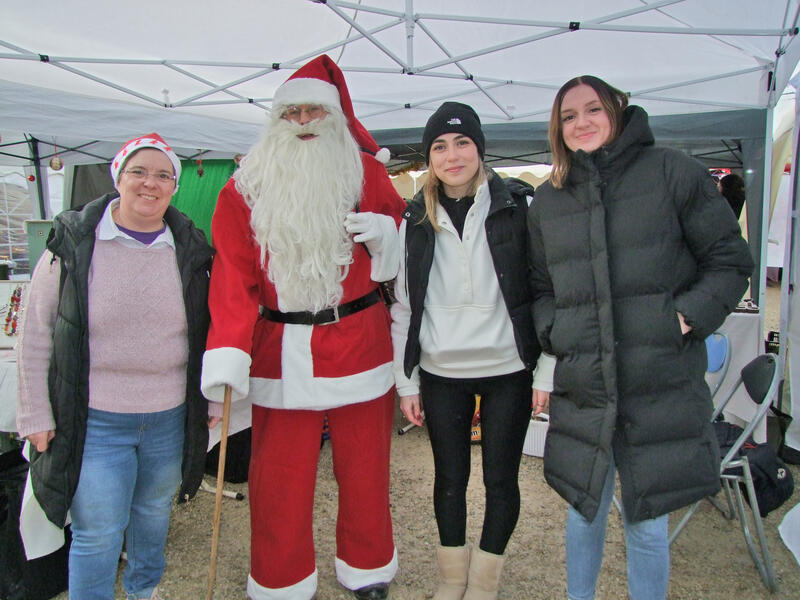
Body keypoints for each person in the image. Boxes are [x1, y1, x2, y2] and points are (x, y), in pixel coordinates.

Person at [527, 75, 754, 600]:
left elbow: (729, 261)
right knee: (584, 514)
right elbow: (539, 289)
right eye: (568, 116)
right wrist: (558, 332)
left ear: (617, 110)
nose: (581, 122)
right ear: (558, 129)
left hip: (658, 383)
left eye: (592, 110)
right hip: (587, 386)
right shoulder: (549, 201)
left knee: (647, 525)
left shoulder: (675, 172)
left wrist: (683, 317)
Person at [200, 55, 405, 600]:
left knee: (365, 470)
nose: (306, 119)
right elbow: (231, 277)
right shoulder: (243, 187)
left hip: (360, 340)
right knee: (278, 479)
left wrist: (389, 235)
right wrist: (226, 353)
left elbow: (407, 243)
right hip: (280, 349)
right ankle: (281, 579)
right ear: (276, 120)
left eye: (316, 108)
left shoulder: (370, 174)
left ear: (335, 116)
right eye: (293, 111)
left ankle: (368, 568)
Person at [16, 133, 214, 600]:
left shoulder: (189, 249)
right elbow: (37, 332)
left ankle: (144, 591)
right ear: (118, 178)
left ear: (174, 186)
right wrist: (34, 414)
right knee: (98, 531)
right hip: (96, 421)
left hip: (168, 417)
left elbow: (206, 332)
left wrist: (209, 398)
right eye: (139, 172)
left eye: (163, 175)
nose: (151, 183)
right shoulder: (72, 244)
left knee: (152, 517)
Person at [391, 101, 555, 600]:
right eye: (439, 146)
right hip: (441, 372)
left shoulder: (517, 209)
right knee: (449, 481)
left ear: (480, 149)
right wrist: (407, 381)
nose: (451, 155)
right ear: (429, 158)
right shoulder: (414, 218)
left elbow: (545, 291)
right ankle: (450, 581)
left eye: (462, 143)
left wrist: (546, 370)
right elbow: (403, 305)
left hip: (508, 368)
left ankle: (483, 585)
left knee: (501, 481)